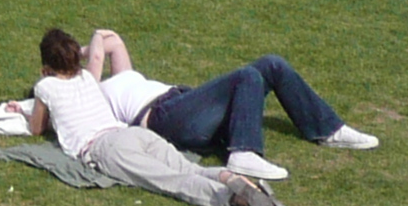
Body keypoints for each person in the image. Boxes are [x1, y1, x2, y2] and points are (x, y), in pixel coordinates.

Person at [12, 29, 285, 206]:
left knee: (171, 181)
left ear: (46, 65)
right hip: (131, 133)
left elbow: (37, 128)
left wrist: (26, 109)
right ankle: (232, 179)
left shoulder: (45, 87)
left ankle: (232, 199)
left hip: (105, 149)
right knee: (188, 168)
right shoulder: (85, 78)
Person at [78, 27, 376, 182]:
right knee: (245, 76)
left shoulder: (120, 77)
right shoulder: (87, 91)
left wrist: (79, 48)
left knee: (272, 65)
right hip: (162, 117)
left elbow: (112, 41)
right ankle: (243, 152)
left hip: (182, 101)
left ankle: (327, 129)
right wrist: (85, 52)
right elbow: (97, 57)